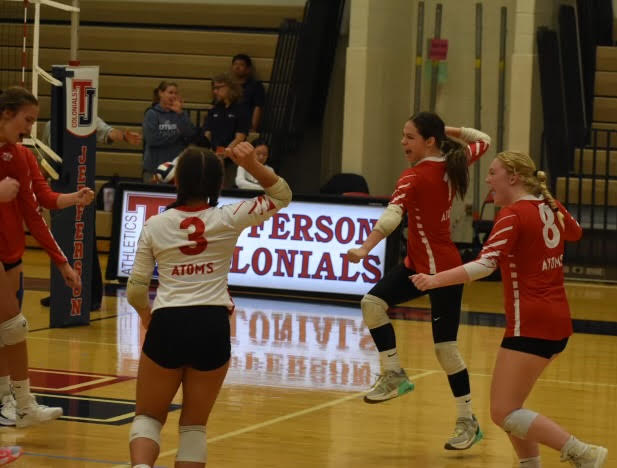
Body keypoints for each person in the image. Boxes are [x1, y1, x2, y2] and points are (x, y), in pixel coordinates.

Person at [411, 152, 607, 468]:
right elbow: (575, 233)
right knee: (513, 408)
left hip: (531, 322)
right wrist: (547, 197)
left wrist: (434, 280)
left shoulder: (514, 214)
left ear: (513, 177)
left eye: (493, 173)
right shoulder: (547, 207)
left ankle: (583, 453)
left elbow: (485, 265)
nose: (487, 180)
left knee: (503, 412)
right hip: (557, 321)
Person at [126, 142, 291, 468]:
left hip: (168, 324)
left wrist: (147, 317)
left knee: (148, 416)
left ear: (177, 182)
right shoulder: (228, 218)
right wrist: (253, 165)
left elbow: (135, 290)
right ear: (218, 185)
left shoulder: (155, 225)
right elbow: (281, 195)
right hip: (212, 324)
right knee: (194, 427)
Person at [347, 111, 491, 450]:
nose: (402, 142)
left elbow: (391, 216)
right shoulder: (454, 161)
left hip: (441, 273)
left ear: (429, 141)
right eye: (403, 135)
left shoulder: (414, 176)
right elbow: (483, 140)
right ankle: (394, 373)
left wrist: (365, 248)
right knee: (372, 303)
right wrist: (446, 131)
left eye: (409, 136)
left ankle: (468, 421)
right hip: (416, 266)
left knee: (445, 350)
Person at [0, 86, 82, 428]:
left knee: (7, 329)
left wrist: (61, 260)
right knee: (13, 325)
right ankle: (22, 405)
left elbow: (37, 209)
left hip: (11, 251)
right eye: (27, 119)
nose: (31, 128)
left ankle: (10, 401)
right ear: (7, 114)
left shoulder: (19, 155)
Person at [38, 115, 142, 310]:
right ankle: (60, 292)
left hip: (82, 187)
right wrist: (38, 187)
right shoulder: (52, 125)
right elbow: (46, 159)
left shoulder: (84, 119)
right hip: (59, 188)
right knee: (60, 241)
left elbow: (107, 133)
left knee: (85, 241)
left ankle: (92, 295)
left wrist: (123, 137)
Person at [197, 73, 250, 188]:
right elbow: (207, 133)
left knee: (226, 189)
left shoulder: (241, 109)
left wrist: (224, 153)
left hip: (232, 160)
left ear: (230, 87)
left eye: (218, 88)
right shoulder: (215, 109)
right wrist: (212, 153)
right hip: (214, 157)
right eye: (214, 88)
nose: (215, 91)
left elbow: (240, 137)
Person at [142, 81, 196, 183]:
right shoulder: (152, 114)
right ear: (160, 93)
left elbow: (190, 134)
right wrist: (177, 134)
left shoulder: (180, 114)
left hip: (175, 169)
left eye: (176, 93)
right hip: (154, 168)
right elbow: (152, 139)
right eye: (170, 92)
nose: (174, 96)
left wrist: (180, 113)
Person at [230, 53, 266, 132]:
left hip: (245, 125)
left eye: (241, 65)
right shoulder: (228, 85)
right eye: (235, 64)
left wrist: (253, 128)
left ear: (248, 69)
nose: (237, 67)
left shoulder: (256, 86)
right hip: (229, 124)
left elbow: (258, 107)